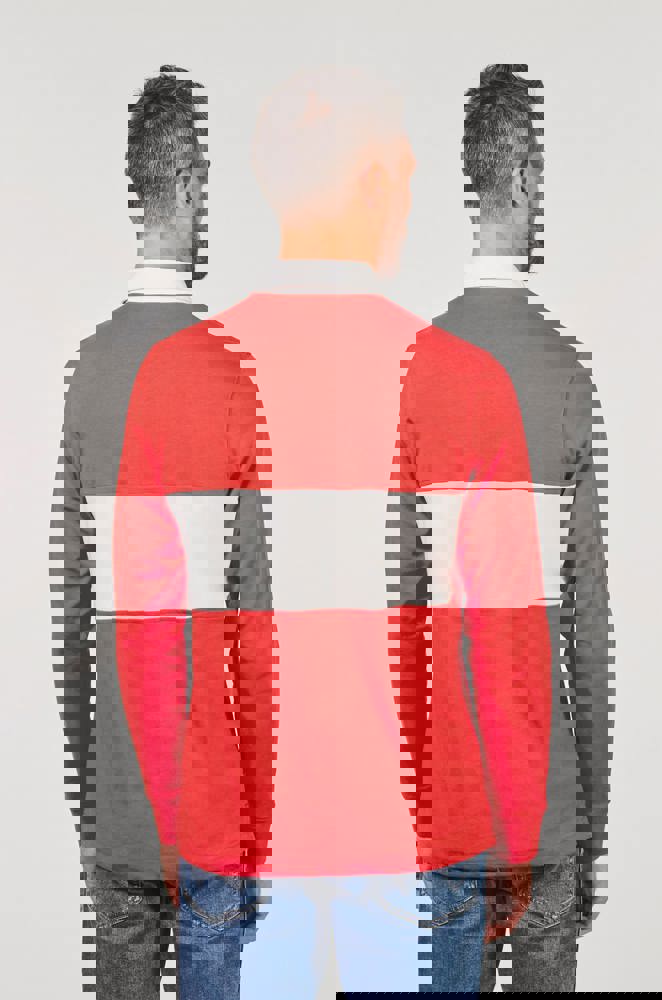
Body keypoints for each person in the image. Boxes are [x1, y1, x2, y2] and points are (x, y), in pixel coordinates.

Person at [113, 66, 550, 997]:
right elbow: (505, 636)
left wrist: (192, 833)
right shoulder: (466, 379)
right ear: (377, 183)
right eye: (404, 170)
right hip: (425, 842)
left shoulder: (176, 377)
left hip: (243, 843)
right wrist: (514, 829)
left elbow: (149, 639)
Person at [51, 64, 269, 999]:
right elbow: (254, 629)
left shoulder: (91, 371)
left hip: (120, 801)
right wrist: (262, 818)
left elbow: (70, 615)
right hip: (213, 804)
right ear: (187, 185)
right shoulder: (228, 375)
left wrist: (90, 797)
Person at [430, 63, 614, 992]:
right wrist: (593, 824)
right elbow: (589, 630)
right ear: (528, 179)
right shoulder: (564, 371)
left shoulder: (419, 369)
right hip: (545, 801)